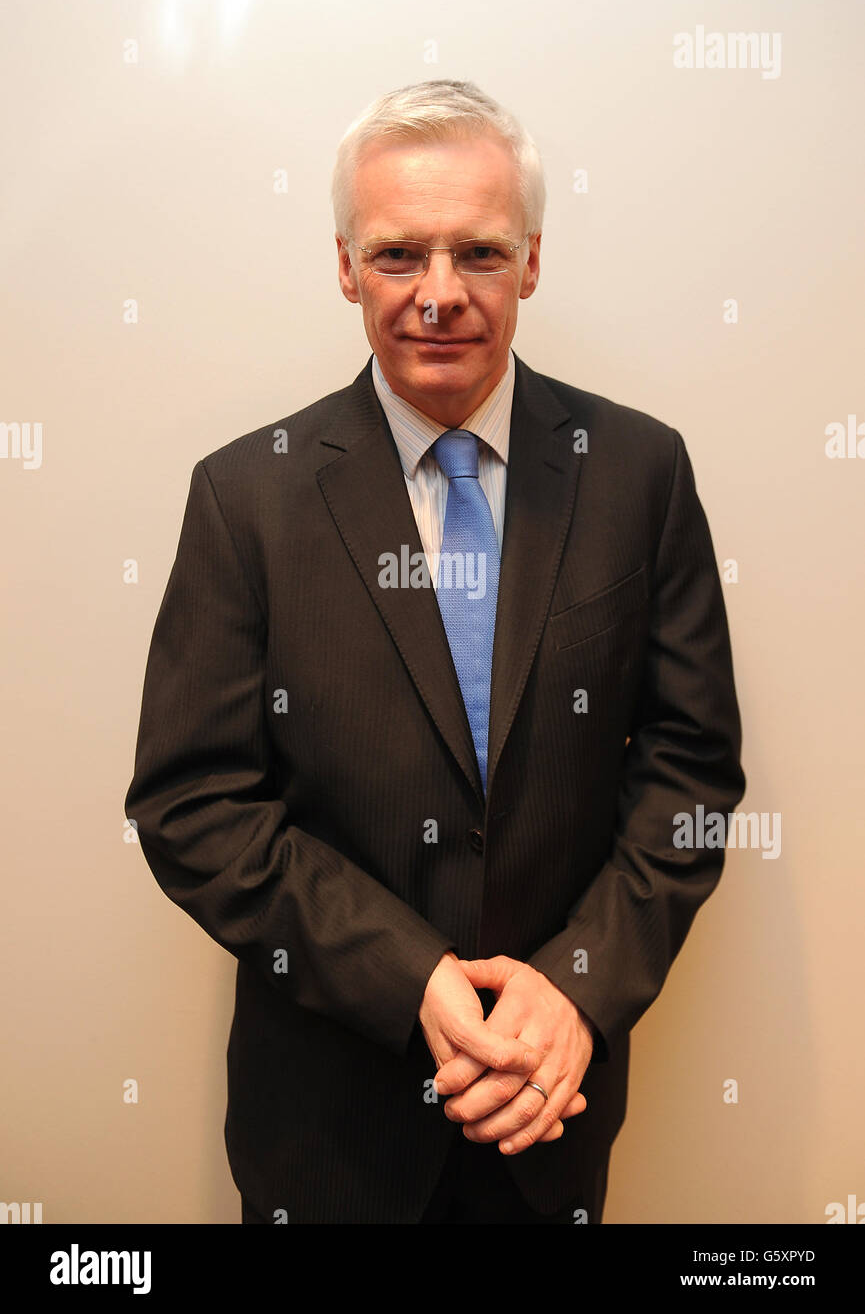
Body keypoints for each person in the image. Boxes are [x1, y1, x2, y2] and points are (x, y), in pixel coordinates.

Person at [125, 78, 745, 1225]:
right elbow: (192, 804)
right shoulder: (243, 497)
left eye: (481, 253)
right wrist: (406, 977)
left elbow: (691, 776)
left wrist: (577, 989)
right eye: (401, 255)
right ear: (347, 267)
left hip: (547, 1112)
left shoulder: (640, 473)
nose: (441, 296)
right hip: (324, 1126)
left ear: (534, 261)